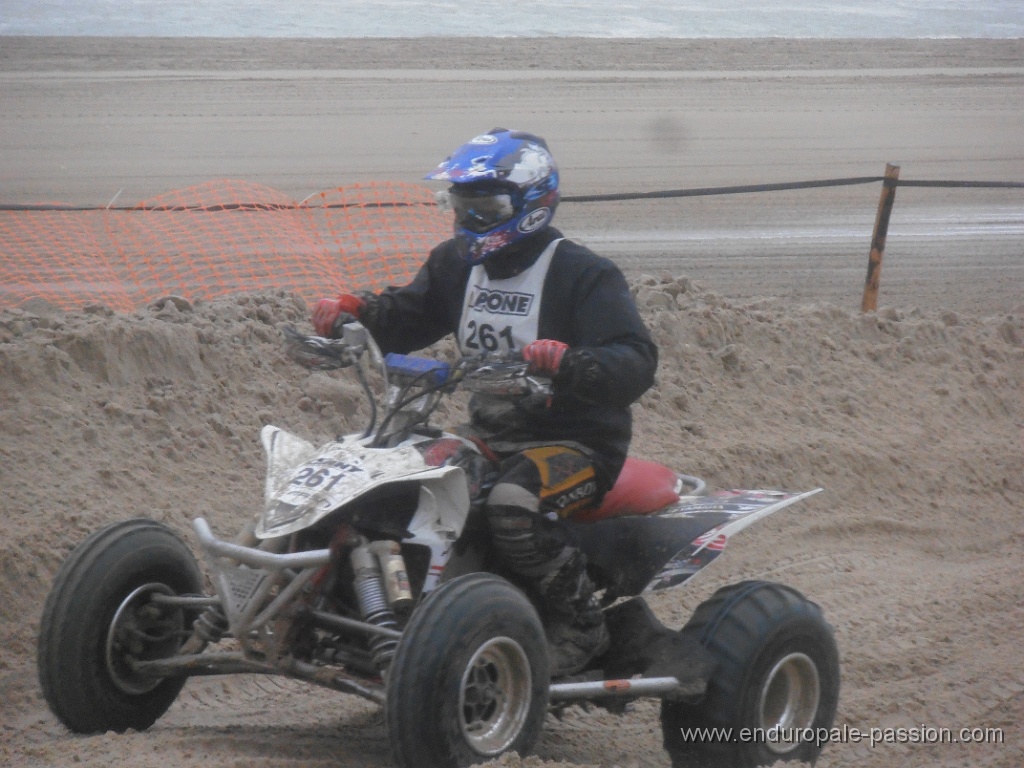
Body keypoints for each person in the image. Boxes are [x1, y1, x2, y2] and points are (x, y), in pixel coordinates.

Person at [311, 128, 657, 676]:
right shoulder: (456, 265)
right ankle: (403, 606)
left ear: (531, 204)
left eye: (486, 208)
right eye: (462, 206)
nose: (471, 221)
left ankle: (581, 624)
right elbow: (411, 316)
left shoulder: (583, 274)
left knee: (513, 505)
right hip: (491, 435)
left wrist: (572, 363)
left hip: (577, 441)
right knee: (394, 476)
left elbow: (637, 359)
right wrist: (359, 312)